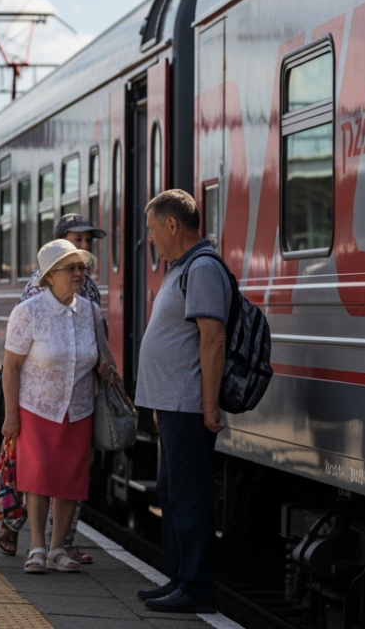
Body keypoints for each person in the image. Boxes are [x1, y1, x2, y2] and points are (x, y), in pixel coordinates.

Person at [135, 190, 229, 614]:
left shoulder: (204, 268)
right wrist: (157, 401)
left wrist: (209, 407)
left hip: (190, 406)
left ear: (172, 224)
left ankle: (196, 588)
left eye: (153, 229)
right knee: (174, 494)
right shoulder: (181, 268)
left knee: (190, 499)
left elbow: (212, 339)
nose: (151, 238)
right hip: (171, 404)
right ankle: (178, 579)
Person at [0, 212, 108, 560]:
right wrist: (11, 414)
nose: (79, 274)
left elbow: (103, 355)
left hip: (78, 408)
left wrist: (111, 371)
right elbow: (11, 366)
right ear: (49, 276)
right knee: (38, 479)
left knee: (69, 481)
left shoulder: (90, 311)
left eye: (81, 267)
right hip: (37, 407)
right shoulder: (29, 311)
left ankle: (59, 547)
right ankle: (36, 545)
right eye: (70, 268)